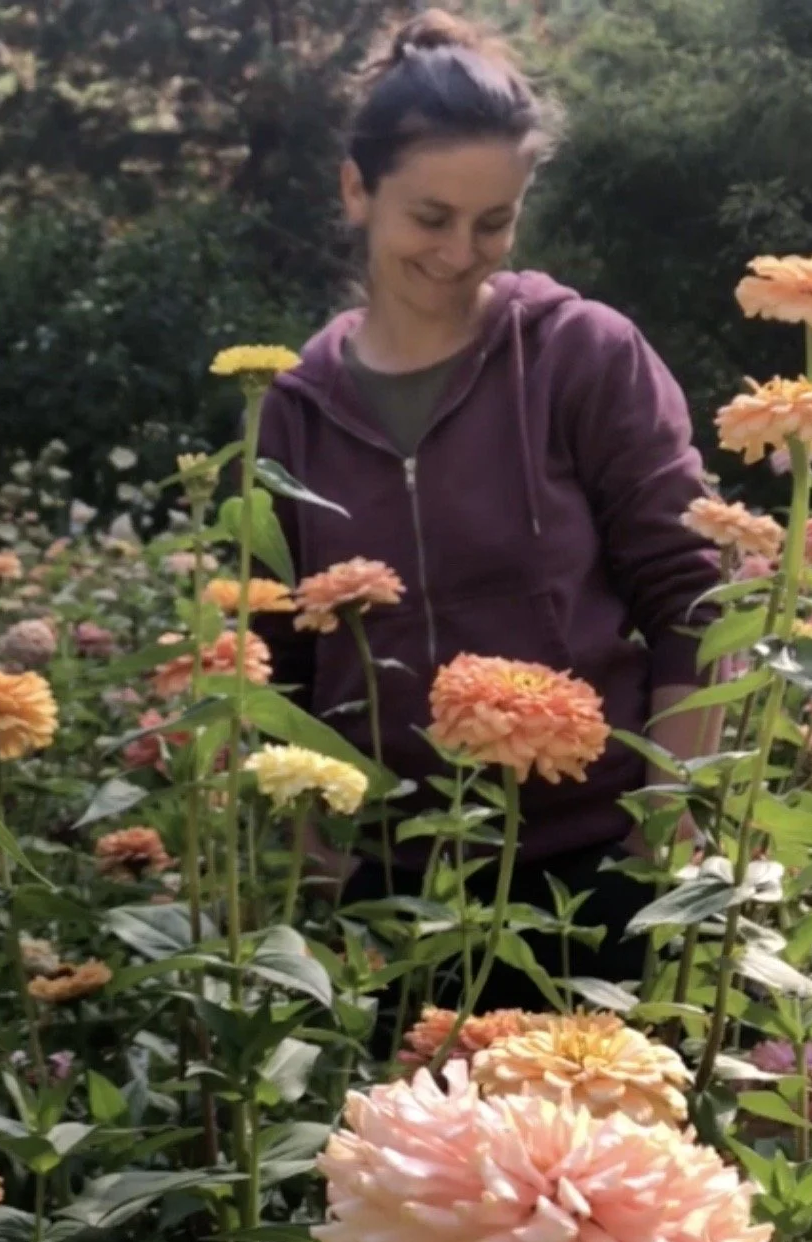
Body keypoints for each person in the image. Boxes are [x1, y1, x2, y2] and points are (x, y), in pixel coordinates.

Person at [254, 9, 721, 993]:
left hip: (591, 875)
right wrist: (319, 866)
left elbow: (691, 598)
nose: (459, 251)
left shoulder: (579, 355)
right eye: (430, 217)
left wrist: (661, 829)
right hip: (387, 897)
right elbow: (278, 659)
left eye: (492, 221)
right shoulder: (291, 408)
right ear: (356, 190)